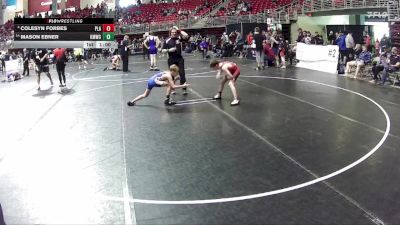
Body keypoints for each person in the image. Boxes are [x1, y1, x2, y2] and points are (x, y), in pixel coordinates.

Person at [162, 26, 189, 95]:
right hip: (171, 59)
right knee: (172, 75)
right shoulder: (167, 40)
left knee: (182, 74)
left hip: (179, 58)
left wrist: (179, 30)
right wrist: (169, 50)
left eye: (175, 32)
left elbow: (186, 36)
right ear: (170, 33)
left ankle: (184, 89)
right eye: (172, 32)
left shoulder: (179, 38)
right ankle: (173, 89)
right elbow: (162, 50)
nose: (174, 33)